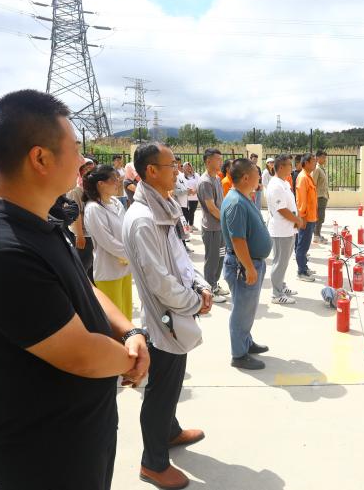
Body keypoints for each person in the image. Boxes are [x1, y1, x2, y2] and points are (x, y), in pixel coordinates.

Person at [0, 89, 149, 490]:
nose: (81, 162)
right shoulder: (1, 251)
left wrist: (130, 331)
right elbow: (81, 354)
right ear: (40, 158)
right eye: (75, 149)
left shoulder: (38, 223)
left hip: (81, 434)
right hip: (47, 454)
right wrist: (132, 360)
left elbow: (84, 286)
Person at [123, 143, 211, 490]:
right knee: (160, 392)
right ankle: (153, 463)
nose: (178, 170)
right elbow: (159, 281)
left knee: (170, 384)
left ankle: (170, 432)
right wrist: (194, 302)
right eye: (171, 164)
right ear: (150, 171)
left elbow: (179, 258)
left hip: (176, 312)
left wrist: (200, 286)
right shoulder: (143, 219)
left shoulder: (163, 207)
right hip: (164, 320)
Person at [221, 158, 273, 370]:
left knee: (247, 309)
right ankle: (239, 354)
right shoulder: (236, 203)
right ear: (245, 178)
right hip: (243, 266)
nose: (259, 177)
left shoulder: (242, 197)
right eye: (256, 174)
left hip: (250, 263)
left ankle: (245, 342)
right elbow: (238, 240)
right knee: (241, 311)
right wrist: (249, 267)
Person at [83, 165, 133, 320]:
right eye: (114, 179)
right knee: (115, 319)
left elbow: (126, 230)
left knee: (127, 314)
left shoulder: (116, 203)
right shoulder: (93, 208)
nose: (118, 182)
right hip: (108, 271)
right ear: (101, 184)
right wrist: (131, 253)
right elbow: (107, 241)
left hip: (125, 268)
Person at [266, 155, 304, 305]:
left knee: (284, 262)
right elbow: (281, 209)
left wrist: (296, 218)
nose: (292, 167)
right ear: (281, 167)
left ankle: (281, 286)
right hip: (280, 230)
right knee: (279, 262)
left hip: (288, 229)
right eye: (289, 164)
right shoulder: (275, 185)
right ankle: (276, 294)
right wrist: (297, 220)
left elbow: (290, 205)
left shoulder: (284, 183)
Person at [197, 149, 229, 303]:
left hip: (219, 227)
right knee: (212, 259)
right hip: (211, 228)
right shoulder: (205, 182)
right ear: (208, 161)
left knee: (220, 257)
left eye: (221, 159)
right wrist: (226, 221)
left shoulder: (216, 178)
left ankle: (214, 284)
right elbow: (211, 208)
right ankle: (209, 289)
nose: (221, 162)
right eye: (218, 159)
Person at [67, 157, 96, 282]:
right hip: (83, 234)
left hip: (91, 234)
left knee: (91, 267)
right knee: (83, 266)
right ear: (80, 171)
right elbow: (76, 214)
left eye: (92, 168)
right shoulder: (76, 191)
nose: (90, 172)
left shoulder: (90, 189)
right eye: (87, 169)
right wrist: (80, 235)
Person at [294, 153, 318, 282]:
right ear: (306, 163)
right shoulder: (303, 177)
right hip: (306, 218)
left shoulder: (308, 176)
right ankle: (301, 272)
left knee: (305, 245)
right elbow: (301, 199)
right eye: (313, 161)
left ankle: (304, 267)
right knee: (302, 246)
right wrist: (302, 217)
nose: (315, 163)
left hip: (311, 217)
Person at [311, 150, 329, 244]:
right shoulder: (317, 169)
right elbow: (313, 184)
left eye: (325, 157)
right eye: (323, 157)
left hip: (323, 196)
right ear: (317, 158)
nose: (324, 159)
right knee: (319, 217)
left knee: (321, 217)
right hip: (319, 197)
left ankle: (318, 234)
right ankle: (316, 236)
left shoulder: (322, 168)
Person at [179, 162, 200, 230]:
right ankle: (186, 229)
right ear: (183, 168)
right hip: (185, 197)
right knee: (185, 214)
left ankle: (190, 225)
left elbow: (200, 184)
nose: (188, 168)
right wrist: (187, 191)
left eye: (189, 166)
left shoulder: (196, 175)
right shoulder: (181, 176)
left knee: (191, 212)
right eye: (186, 167)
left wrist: (195, 191)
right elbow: (180, 185)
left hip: (194, 197)